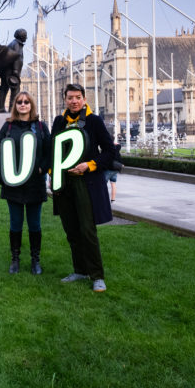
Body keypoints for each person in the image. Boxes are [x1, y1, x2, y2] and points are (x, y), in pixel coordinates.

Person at [52, 84, 114, 292]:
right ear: (65, 99)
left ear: (84, 99)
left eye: (78, 97)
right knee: (71, 230)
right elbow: (52, 151)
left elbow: (109, 151)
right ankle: (80, 270)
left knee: (87, 230)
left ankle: (97, 275)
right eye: (70, 97)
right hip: (64, 185)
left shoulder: (94, 121)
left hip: (86, 183)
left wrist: (89, 165)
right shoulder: (59, 122)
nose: (74, 101)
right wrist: (53, 175)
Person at [0, 91, 51, 275]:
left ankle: (35, 260)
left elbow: (49, 153)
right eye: (19, 102)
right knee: (15, 223)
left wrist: (41, 169)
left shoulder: (41, 127)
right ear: (15, 105)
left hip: (35, 184)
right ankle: (15, 259)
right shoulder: (8, 127)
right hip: (14, 185)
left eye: (26, 102)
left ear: (31, 105)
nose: (23, 105)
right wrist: (7, 170)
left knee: (35, 224)